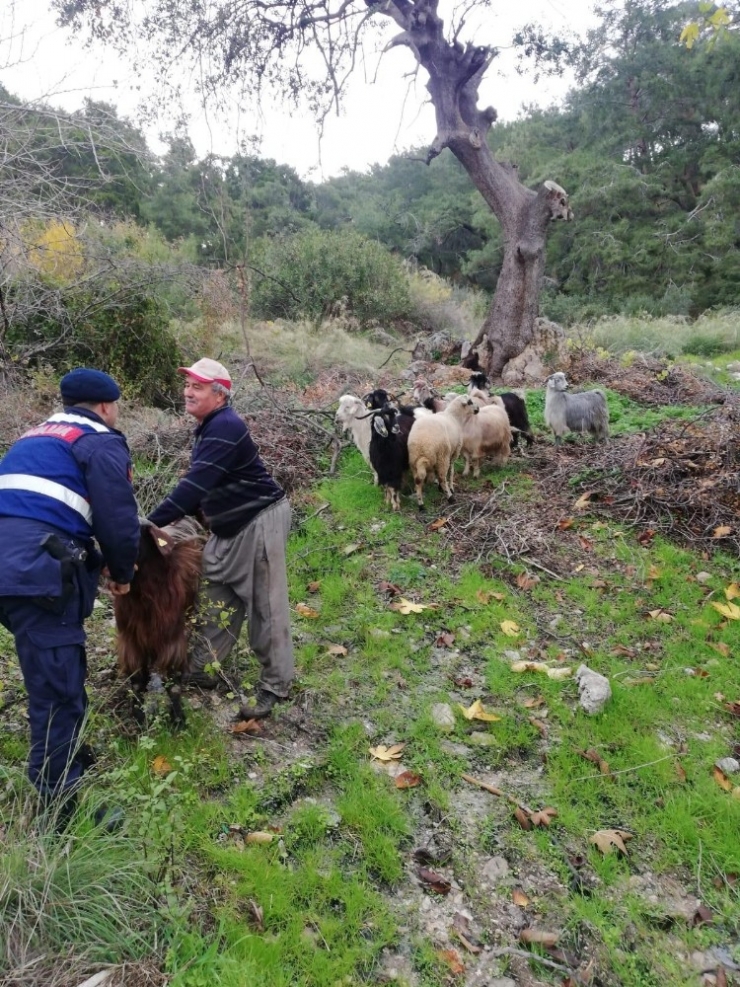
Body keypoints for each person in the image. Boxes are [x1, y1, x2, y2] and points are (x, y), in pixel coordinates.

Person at [0, 368, 140, 821]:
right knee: (59, 692)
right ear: (105, 406)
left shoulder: (34, 437)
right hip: (36, 577)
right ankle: (60, 812)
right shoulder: (100, 440)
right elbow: (117, 519)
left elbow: (42, 511)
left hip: (10, 568)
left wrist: (92, 560)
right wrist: (121, 573)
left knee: (50, 672)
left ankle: (69, 751)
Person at [148, 358, 294, 719]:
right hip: (228, 529)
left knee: (265, 606)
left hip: (259, 520)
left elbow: (192, 488)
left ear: (220, 394)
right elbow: (197, 491)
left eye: (197, 386)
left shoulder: (226, 426)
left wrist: (146, 525)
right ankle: (204, 669)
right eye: (187, 385)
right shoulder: (208, 427)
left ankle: (275, 687)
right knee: (216, 598)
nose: (187, 392)